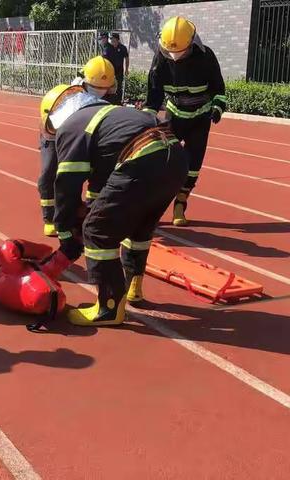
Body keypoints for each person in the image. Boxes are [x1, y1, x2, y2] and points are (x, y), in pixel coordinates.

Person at [39, 72, 189, 325]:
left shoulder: (72, 127)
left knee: (97, 231)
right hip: (175, 158)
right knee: (139, 225)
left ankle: (108, 308)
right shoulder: (109, 115)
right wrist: (93, 206)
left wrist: (66, 233)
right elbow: (104, 184)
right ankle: (133, 287)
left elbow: (66, 184)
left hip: (142, 159)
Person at [144, 16, 226, 226]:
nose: (174, 56)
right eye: (170, 52)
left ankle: (181, 202)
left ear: (192, 43)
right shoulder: (161, 57)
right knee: (162, 158)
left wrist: (217, 108)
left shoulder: (206, 57)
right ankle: (150, 206)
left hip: (200, 118)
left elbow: (219, 89)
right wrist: (147, 116)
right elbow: (154, 92)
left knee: (193, 164)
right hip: (174, 115)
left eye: (180, 52)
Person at [37, 56, 116, 237]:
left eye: (104, 88)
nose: (101, 91)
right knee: (49, 172)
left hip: (83, 135)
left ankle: (86, 212)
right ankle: (50, 217)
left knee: (88, 171)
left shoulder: (110, 94)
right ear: (85, 81)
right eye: (97, 87)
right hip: (56, 131)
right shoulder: (71, 96)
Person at [102, 32, 129, 105]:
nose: (112, 41)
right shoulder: (109, 48)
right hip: (110, 71)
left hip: (119, 70)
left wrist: (126, 69)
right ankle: (109, 102)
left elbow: (126, 58)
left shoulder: (123, 48)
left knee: (119, 86)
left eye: (113, 39)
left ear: (117, 40)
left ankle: (119, 102)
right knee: (109, 86)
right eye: (111, 39)